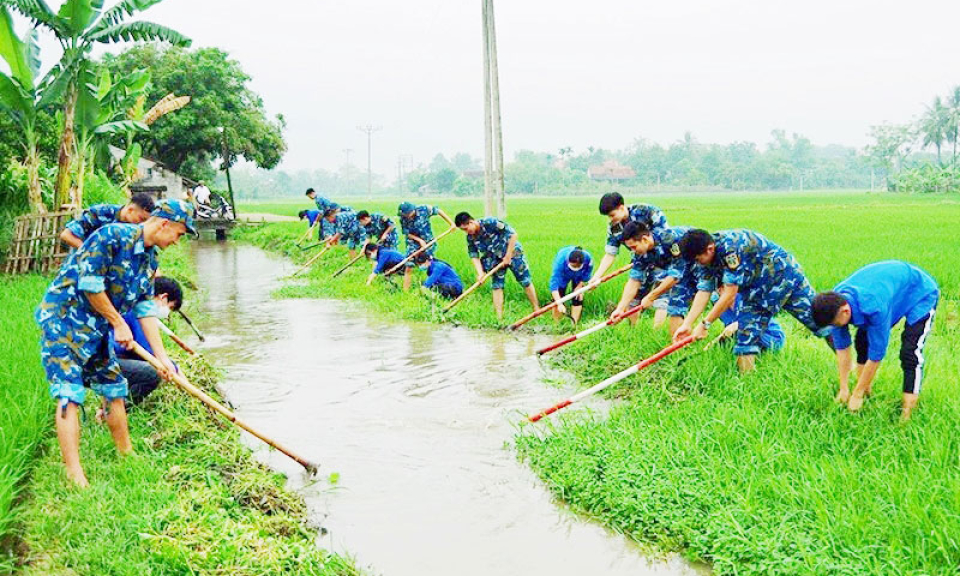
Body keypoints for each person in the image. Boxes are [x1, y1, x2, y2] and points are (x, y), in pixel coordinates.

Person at [35, 199, 195, 487]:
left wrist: (162, 360)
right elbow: (91, 285)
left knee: (114, 387)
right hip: (64, 320)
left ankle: (127, 456)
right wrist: (119, 323)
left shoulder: (149, 259)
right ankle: (75, 476)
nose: (176, 241)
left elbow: (146, 309)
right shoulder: (110, 236)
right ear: (163, 224)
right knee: (69, 392)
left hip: (97, 326)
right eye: (179, 234)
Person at [673, 228, 827, 373]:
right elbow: (704, 290)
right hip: (755, 292)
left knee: (821, 320)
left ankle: (849, 371)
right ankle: (745, 384)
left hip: (785, 279)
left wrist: (705, 324)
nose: (698, 264)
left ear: (710, 249)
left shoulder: (730, 248)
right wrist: (687, 324)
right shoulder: (703, 258)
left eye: (699, 260)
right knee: (745, 340)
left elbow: (730, 294)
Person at [812, 260, 939, 420]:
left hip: (920, 293)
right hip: (887, 288)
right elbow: (842, 349)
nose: (835, 327)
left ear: (845, 310)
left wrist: (856, 394)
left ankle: (907, 415)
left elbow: (876, 355)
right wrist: (844, 388)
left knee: (910, 352)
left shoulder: (874, 307)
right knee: (862, 341)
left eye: (835, 324)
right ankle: (867, 394)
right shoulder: (833, 306)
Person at [110, 276, 184, 408]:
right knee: (152, 374)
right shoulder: (139, 312)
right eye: (170, 308)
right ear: (163, 297)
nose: (167, 314)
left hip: (112, 354)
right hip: (105, 358)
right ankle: (115, 409)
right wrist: (175, 369)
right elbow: (147, 353)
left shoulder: (131, 301)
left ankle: (111, 403)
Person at [610, 222, 694, 332]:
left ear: (645, 239)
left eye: (634, 247)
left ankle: (670, 337)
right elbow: (634, 280)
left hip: (694, 261)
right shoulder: (640, 253)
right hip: (670, 266)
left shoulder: (671, 240)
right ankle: (636, 331)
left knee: (677, 300)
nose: (633, 251)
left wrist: (651, 297)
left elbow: (676, 276)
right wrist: (620, 308)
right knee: (642, 292)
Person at [455, 212, 539, 320]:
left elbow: (513, 235)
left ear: (471, 222)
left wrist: (508, 256)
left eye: (466, 229)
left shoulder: (490, 222)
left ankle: (536, 308)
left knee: (525, 281)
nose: (466, 232)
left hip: (513, 252)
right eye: (463, 230)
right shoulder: (470, 238)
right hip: (494, 259)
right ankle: (498, 317)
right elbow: (474, 255)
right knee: (497, 286)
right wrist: (480, 273)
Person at [588, 192, 668, 284]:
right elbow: (610, 254)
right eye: (608, 217)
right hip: (640, 261)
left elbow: (666, 237)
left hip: (663, 258)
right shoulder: (614, 228)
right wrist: (597, 276)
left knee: (662, 291)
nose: (610, 219)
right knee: (635, 294)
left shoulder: (647, 211)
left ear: (621, 208)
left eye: (612, 215)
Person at [59, 193, 156, 249]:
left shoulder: (139, 230)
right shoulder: (101, 213)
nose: (142, 223)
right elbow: (66, 235)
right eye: (141, 219)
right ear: (130, 210)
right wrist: (91, 252)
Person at [398, 201, 454, 291]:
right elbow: (406, 233)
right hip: (412, 243)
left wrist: (451, 224)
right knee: (409, 266)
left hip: (428, 242)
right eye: (405, 214)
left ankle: (432, 287)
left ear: (413, 210)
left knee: (430, 266)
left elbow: (439, 211)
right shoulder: (403, 218)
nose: (406, 216)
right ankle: (405, 291)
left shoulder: (424, 209)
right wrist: (419, 241)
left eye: (408, 213)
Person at [547, 246, 593, 324]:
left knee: (578, 296)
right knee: (559, 295)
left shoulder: (588, 258)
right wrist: (559, 303)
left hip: (579, 275)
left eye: (577, 266)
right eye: (573, 266)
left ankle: (573, 323)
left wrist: (579, 286)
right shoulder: (560, 262)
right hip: (563, 274)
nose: (575, 268)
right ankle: (557, 323)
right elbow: (554, 286)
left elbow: (587, 273)